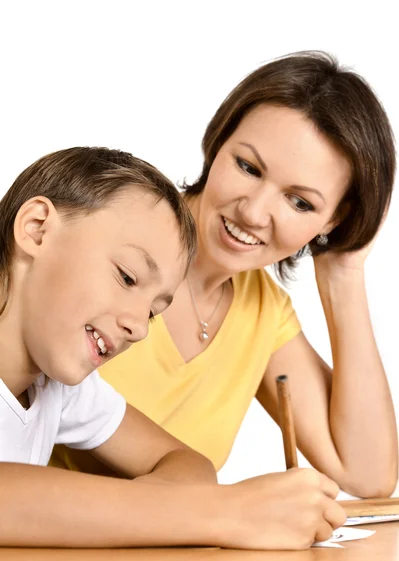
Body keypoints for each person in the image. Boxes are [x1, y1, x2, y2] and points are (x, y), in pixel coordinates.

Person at [55, 52, 398, 498]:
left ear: (333, 220)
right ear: (219, 143)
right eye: (248, 167)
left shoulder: (262, 312)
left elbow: (368, 476)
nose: (254, 212)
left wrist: (343, 272)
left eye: (301, 203)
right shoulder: (113, 226)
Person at [0, 145, 346, 550]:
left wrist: (167, 511)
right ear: (37, 228)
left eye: (152, 312)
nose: (137, 327)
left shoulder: (61, 391)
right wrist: (225, 513)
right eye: (127, 277)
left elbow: (189, 465)